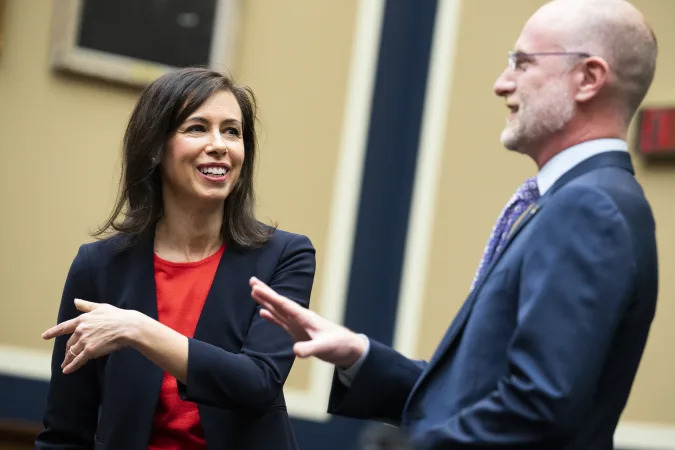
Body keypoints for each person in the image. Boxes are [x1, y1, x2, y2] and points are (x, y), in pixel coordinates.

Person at [249, 0, 659, 448]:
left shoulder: (588, 207)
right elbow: (481, 392)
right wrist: (359, 355)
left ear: (589, 78)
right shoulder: (584, 200)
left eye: (521, 63)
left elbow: (540, 408)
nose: (501, 84)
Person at [36, 68, 315, 450]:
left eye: (232, 131)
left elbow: (257, 383)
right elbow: (67, 431)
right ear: (155, 146)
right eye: (197, 128)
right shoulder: (98, 266)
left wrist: (138, 329)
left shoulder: (285, 256)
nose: (219, 145)